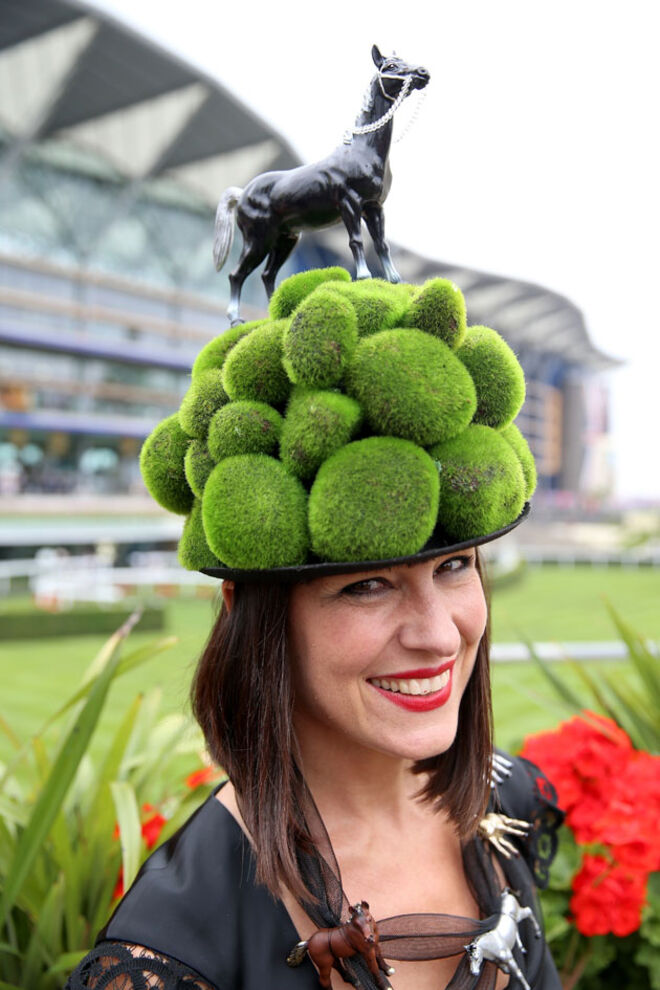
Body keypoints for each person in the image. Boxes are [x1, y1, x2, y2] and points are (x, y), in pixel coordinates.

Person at [66, 271, 564, 990]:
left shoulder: (506, 800)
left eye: (454, 566)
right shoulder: (171, 949)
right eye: (367, 585)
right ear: (248, 612)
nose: (438, 635)